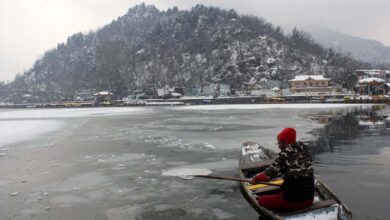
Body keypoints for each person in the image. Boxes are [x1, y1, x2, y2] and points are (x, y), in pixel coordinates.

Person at [251, 127, 314, 211]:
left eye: (279, 143)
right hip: (309, 199)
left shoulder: (285, 155)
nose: (279, 146)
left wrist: (255, 179)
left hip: (294, 201)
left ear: (286, 142)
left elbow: (267, 175)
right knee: (286, 187)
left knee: (261, 200)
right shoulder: (304, 150)